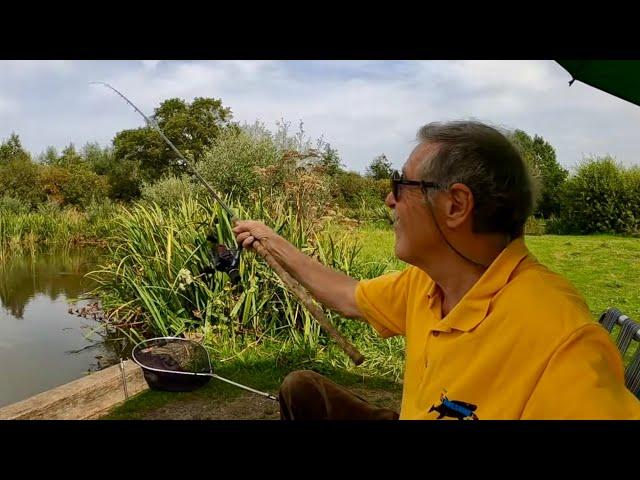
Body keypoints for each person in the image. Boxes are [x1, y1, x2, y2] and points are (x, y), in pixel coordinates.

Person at [232, 121, 640, 420]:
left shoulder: (560, 339)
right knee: (303, 389)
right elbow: (347, 296)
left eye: (401, 185)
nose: (389, 201)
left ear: (456, 205)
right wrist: (273, 241)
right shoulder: (428, 283)